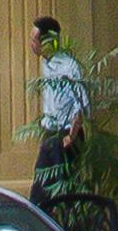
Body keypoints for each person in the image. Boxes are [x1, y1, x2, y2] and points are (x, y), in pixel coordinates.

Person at [33, 14, 89, 186]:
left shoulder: (69, 66)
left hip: (67, 135)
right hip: (50, 134)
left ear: (47, 41)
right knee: (40, 191)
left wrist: (71, 135)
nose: (32, 45)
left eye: (34, 39)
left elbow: (80, 104)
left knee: (66, 190)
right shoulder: (46, 63)